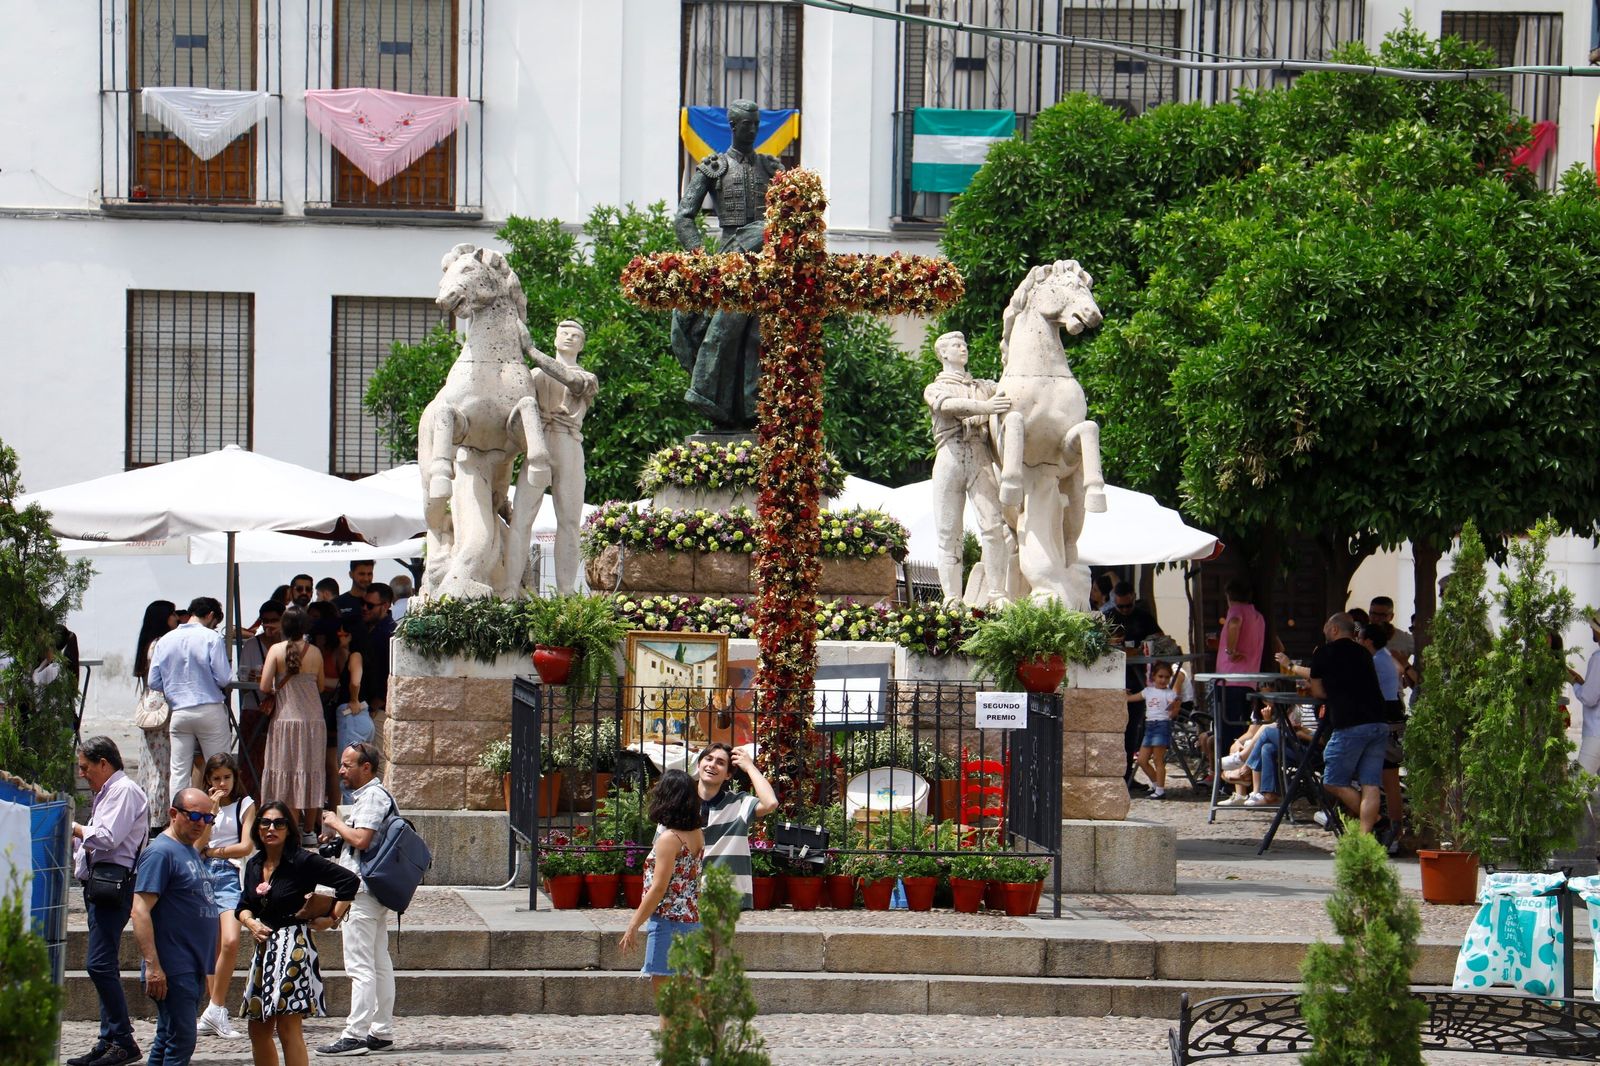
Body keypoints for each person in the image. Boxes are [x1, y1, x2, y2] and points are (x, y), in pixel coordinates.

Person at [670, 98, 783, 429]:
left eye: (756, 124)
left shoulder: (771, 168)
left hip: (765, 261)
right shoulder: (714, 167)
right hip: (730, 255)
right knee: (724, 328)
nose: (753, 130)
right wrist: (700, 257)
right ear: (733, 126)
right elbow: (684, 217)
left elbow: (791, 212)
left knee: (758, 337)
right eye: (747, 124)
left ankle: (750, 408)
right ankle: (710, 396)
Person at [237, 802, 359, 1066]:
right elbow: (244, 905)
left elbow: (349, 881)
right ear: (257, 828)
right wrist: (250, 922)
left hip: (293, 946)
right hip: (265, 950)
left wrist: (332, 918)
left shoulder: (302, 860)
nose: (271, 828)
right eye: (265, 822)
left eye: (279, 823)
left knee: (287, 1026)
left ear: (289, 829)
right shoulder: (255, 863)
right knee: (257, 1029)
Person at [67, 737, 150, 1066]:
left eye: (85, 767)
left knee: (98, 964)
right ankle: (108, 1040)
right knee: (104, 964)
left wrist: (74, 828)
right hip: (99, 883)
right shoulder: (108, 792)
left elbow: (107, 837)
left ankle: (123, 1040)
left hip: (113, 884)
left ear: (104, 763)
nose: (82, 774)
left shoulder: (124, 791)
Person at [316, 742, 398, 1057]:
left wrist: (336, 823)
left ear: (366, 767)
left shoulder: (373, 796)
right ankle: (381, 1032)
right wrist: (339, 836)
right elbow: (363, 839)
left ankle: (355, 1035)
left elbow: (363, 840)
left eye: (347, 765)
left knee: (360, 966)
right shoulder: (372, 796)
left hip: (362, 891)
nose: (340, 770)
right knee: (378, 963)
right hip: (372, 891)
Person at [131, 786, 220, 1066]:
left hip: (191, 964)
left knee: (167, 1037)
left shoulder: (188, 849)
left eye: (207, 818)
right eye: (194, 816)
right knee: (182, 1040)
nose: (201, 823)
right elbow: (139, 910)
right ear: (173, 813)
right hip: (172, 964)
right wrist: (153, 966)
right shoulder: (160, 853)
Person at [923, 330, 1010, 605]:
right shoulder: (935, 387)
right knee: (949, 532)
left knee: (994, 525)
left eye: (964, 344)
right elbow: (947, 406)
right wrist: (986, 407)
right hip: (950, 454)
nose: (963, 348)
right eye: (956, 345)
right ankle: (952, 599)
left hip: (979, 453)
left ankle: (997, 594)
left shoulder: (983, 386)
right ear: (943, 353)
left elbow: (1011, 386)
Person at [619, 769, 705, 1026]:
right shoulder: (697, 834)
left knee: (667, 1001)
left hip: (668, 922)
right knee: (688, 997)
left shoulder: (669, 839)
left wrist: (633, 924)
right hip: (691, 920)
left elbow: (658, 888)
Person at [526, 319, 600, 593]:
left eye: (575, 335)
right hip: (539, 442)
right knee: (522, 517)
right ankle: (512, 587)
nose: (569, 337)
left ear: (582, 345)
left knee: (569, 520)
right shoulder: (534, 375)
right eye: (564, 333)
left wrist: (530, 350)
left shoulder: (588, 377)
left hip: (568, 443)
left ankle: (566, 592)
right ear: (555, 339)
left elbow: (571, 380)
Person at [1306, 613, 1389, 835]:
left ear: (1334, 629)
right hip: (1378, 721)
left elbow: (1318, 692)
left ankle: (1377, 819)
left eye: (1326, 626)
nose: (1324, 630)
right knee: (1370, 783)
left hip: (1350, 723)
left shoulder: (1323, 653)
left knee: (1332, 781)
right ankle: (1365, 837)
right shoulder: (1363, 652)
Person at [149, 596, 234, 807]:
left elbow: (154, 681)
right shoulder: (211, 637)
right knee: (220, 768)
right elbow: (224, 678)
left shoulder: (165, 640)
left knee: (179, 771)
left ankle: (178, 816)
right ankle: (220, 817)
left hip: (179, 712)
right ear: (211, 615)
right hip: (209, 709)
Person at [196, 753, 254, 1041]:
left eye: (227, 777)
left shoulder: (245, 804)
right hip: (203, 874)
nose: (222, 783)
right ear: (208, 779)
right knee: (211, 945)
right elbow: (197, 845)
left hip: (230, 874)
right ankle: (214, 1009)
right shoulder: (204, 806)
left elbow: (245, 846)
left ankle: (215, 1009)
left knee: (230, 941)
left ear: (235, 777)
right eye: (217, 778)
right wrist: (211, 812)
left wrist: (215, 852)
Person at [258, 605, 327, 838]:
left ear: (283, 626)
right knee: (311, 771)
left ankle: (288, 828)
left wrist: (278, 687)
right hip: (313, 721)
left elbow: (264, 686)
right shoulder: (315, 652)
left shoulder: (276, 650)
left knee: (285, 771)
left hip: (285, 719)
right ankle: (308, 830)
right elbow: (320, 686)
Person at [694, 742, 778, 909]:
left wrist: (750, 767)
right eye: (708, 759)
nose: (712, 764)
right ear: (698, 765)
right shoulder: (680, 802)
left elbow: (770, 803)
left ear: (728, 775)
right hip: (685, 894)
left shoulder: (739, 803)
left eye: (720, 762)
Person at [1103, 581, 1164, 792]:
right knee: (1112, 730)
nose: (1125, 610)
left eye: (1128, 606)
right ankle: (1113, 776)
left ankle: (1128, 776)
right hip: (1112, 679)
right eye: (1121, 606)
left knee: (1132, 729)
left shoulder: (1143, 616)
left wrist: (1145, 645)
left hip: (1136, 678)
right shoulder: (1107, 616)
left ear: (1133, 597)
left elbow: (1160, 636)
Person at [133, 600, 179, 834]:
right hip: (162, 708)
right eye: (172, 614)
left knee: (151, 765)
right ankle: (158, 818)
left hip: (150, 705)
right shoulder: (161, 644)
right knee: (161, 767)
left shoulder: (148, 643)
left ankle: (149, 814)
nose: (176, 618)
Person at [1362, 621, 1406, 851]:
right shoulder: (1385, 655)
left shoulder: (1375, 660)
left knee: (1386, 778)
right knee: (1390, 780)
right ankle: (1394, 827)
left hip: (1385, 718)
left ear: (1368, 641)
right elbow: (1400, 670)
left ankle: (1392, 829)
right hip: (1393, 714)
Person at [236, 600, 284, 801]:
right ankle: (250, 801)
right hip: (254, 707)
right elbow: (243, 677)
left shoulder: (290, 645)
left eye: (274, 620)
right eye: (265, 621)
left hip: (282, 709)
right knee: (251, 760)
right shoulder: (251, 646)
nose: (269, 625)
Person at [1214, 578, 1267, 756]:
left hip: (1229, 680)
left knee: (1226, 730)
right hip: (1249, 680)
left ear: (1229, 596)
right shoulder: (1258, 616)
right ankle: (1239, 766)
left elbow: (1234, 624)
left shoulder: (1236, 610)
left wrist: (1230, 650)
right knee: (1241, 728)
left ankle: (1225, 766)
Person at [1132, 662, 1181, 798]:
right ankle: (1156, 785)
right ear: (1153, 676)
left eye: (1166, 677)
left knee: (1158, 760)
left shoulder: (1170, 694)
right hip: (1149, 726)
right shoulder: (1148, 691)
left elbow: (1173, 713)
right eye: (1160, 676)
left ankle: (1160, 790)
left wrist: (1175, 707)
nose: (1163, 680)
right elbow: (1132, 698)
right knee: (1142, 760)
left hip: (1162, 725)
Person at [358, 583, 396, 719]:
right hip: (364, 706)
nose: (364, 608)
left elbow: (390, 671)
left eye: (370, 605)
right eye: (362, 603)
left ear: (385, 606)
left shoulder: (390, 634)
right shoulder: (365, 629)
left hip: (378, 710)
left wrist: (376, 704)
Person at [1570, 608, 1600, 774]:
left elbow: (1589, 698)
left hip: (1596, 734)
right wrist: (1582, 683)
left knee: (1576, 784)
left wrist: (1573, 683)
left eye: (1592, 627)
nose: (1591, 629)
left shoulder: (1598, 658)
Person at [1369, 595, 1418, 691]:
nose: (1377, 619)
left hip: (1393, 694)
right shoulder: (1361, 634)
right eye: (1373, 614)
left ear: (1391, 616)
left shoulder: (1404, 638)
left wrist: (1406, 667)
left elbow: (1428, 656)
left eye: (1382, 615)